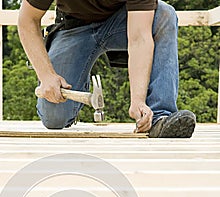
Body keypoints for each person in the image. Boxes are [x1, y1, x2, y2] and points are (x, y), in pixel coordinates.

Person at [18, 0, 196, 138]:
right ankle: (79, 82)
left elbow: (139, 37)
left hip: (121, 22)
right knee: (54, 117)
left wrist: (138, 100)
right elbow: (27, 20)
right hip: (74, 27)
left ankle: (158, 116)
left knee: (164, 15)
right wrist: (47, 76)